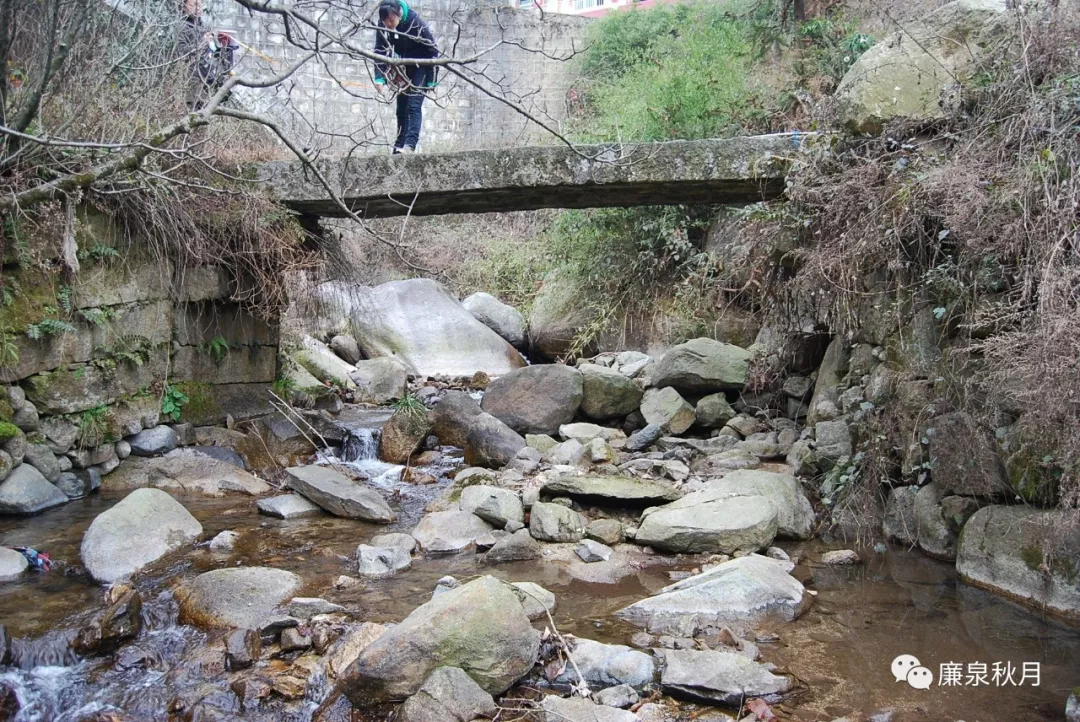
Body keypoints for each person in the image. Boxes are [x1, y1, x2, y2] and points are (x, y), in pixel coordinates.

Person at [373, 0, 439, 154]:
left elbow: (433, 52)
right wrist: (379, 77)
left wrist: (432, 80)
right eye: (385, 21)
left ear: (398, 14)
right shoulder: (383, 25)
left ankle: (410, 145)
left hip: (422, 66)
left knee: (413, 106)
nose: (388, 24)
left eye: (391, 20)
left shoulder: (416, 23)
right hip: (404, 67)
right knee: (401, 109)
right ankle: (398, 146)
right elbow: (380, 50)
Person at [180, 0, 239, 108]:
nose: (197, 8)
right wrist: (202, 43)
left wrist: (224, 46)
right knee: (195, 111)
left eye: (199, 4)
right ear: (184, 7)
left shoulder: (204, 26)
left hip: (208, 75)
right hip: (192, 79)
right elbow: (181, 52)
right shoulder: (181, 27)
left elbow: (214, 51)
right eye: (193, 5)